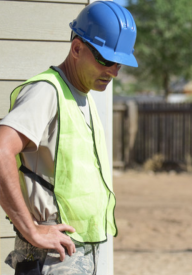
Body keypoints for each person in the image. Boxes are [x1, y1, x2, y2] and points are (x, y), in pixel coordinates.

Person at [0, 1, 138, 274]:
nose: (114, 71)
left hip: (78, 252)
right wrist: (31, 230)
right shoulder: (47, 91)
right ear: (77, 48)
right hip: (54, 257)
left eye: (120, 64)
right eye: (106, 60)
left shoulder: (82, 96)